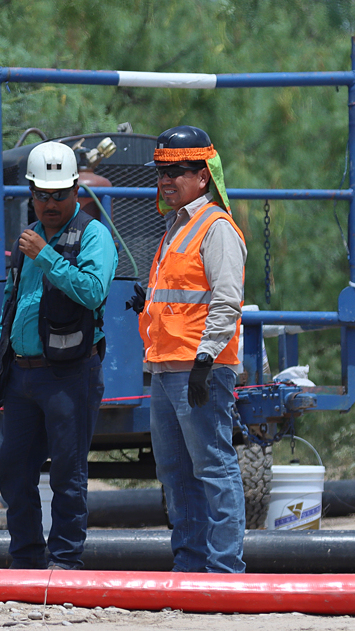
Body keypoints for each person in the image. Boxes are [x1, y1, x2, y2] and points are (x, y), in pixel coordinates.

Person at [0, 141, 118, 570]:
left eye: (59, 195)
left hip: (70, 374)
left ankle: (65, 564)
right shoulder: (29, 239)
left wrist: (48, 255)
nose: (50, 203)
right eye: (42, 195)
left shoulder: (94, 236)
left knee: (67, 477)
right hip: (22, 376)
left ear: (77, 190)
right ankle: (24, 562)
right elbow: (14, 302)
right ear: (31, 193)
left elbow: (94, 291)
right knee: (15, 473)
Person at [131, 125, 248, 573]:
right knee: (176, 476)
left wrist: (205, 359)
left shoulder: (215, 227)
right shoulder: (174, 228)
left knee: (214, 470)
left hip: (199, 371)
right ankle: (190, 565)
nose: (166, 179)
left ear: (203, 176)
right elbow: (180, 295)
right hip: (164, 370)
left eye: (177, 170)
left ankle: (223, 570)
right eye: (161, 170)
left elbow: (225, 299)